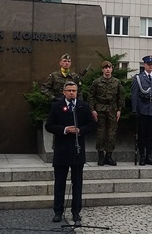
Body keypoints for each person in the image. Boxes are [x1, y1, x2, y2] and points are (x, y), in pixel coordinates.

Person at [45, 81, 96, 225]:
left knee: (77, 184)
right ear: (64, 92)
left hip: (77, 150)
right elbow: (49, 125)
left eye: (74, 90)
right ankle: (58, 212)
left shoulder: (83, 106)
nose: (72, 93)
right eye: (69, 90)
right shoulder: (57, 106)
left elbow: (91, 125)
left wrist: (80, 130)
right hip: (61, 150)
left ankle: (76, 212)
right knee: (59, 183)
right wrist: (65, 129)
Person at [88, 61, 124, 166]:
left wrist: (119, 110)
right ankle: (100, 156)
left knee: (112, 133)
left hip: (113, 109)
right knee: (101, 133)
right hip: (100, 109)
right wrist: (92, 110)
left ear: (112, 69)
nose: (107, 69)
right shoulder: (97, 82)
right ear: (102, 69)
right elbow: (91, 96)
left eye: (109, 67)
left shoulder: (117, 82)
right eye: (105, 68)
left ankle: (109, 155)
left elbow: (121, 97)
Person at [131, 55, 152, 165]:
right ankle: (142, 156)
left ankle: (149, 156)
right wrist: (135, 110)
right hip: (143, 109)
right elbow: (134, 95)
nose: (151, 67)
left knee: (151, 135)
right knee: (142, 135)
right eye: (148, 64)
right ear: (144, 65)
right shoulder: (138, 78)